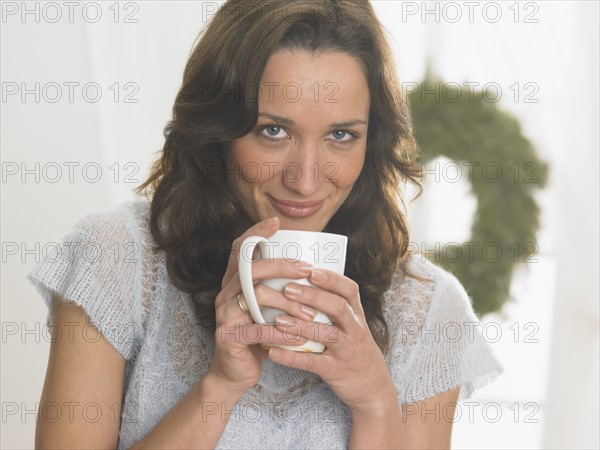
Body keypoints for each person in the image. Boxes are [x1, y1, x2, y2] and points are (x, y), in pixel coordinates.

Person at [28, 1, 502, 448]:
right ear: (218, 130)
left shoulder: (428, 309)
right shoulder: (116, 257)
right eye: (273, 131)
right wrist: (220, 387)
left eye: (341, 135)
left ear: (372, 141)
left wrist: (375, 403)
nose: (306, 179)